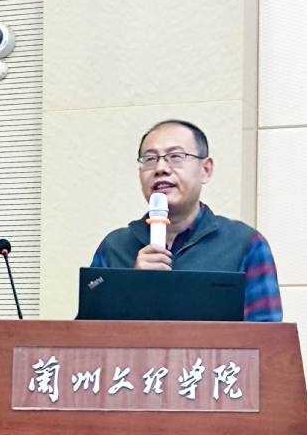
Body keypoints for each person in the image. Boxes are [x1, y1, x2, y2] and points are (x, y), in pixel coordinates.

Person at [90, 120, 282, 321]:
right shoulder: (114, 247)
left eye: (175, 157)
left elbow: (266, 334)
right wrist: (130, 286)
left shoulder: (244, 244)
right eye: (150, 159)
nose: (161, 168)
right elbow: (86, 332)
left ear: (205, 169)